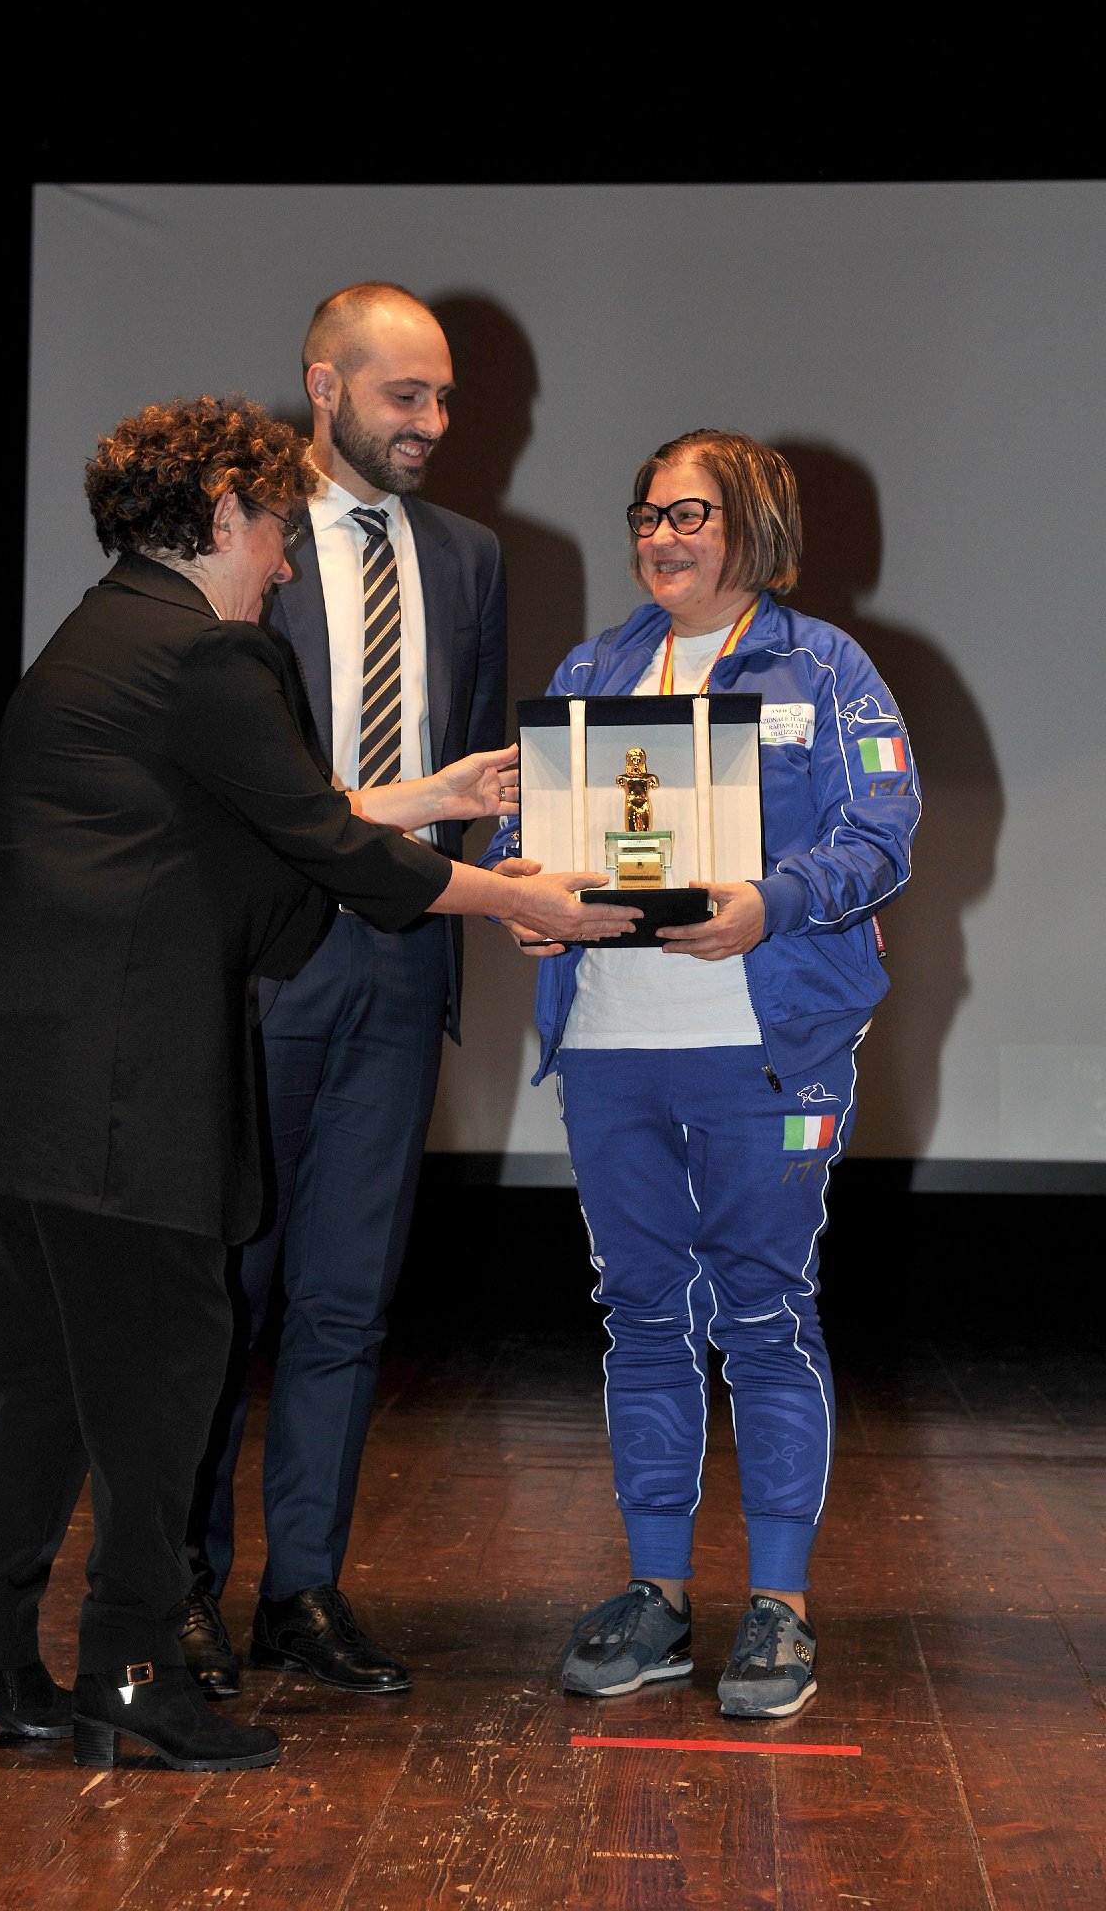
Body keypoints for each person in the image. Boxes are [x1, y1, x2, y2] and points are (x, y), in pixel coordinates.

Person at [0, 393, 636, 1775]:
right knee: (164, 1376)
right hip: (124, 1090)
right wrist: (521, 897)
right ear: (221, 517)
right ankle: (132, 1670)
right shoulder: (210, 654)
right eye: (275, 531)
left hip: (18, 1084)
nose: (289, 562)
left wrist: (422, 804)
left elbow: (258, 813)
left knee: (46, 1382)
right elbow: (325, 846)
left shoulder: (100, 634)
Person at [481, 429, 920, 1719]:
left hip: (762, 1043)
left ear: (753, 526)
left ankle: (780, 1603)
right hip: (612, 1041)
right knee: (639, 1314)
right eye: (646, 514)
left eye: (689, 515)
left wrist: (771, 901)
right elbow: (526, 825)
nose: (659, 537)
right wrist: (519, 892)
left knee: (766, 1314)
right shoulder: (593, 668)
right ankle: (658, 1594)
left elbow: (884, 831)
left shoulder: (827, 668)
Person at [180, 283, 511, 1701]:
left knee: (346, 1302)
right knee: (224, 1293)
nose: (431, 423)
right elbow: (223, 772)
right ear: (325, 387)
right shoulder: (245, 536)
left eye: (443, 400)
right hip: (265, 961)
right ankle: (178, 1588)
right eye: (403, 397)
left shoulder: (474, 556)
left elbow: (481, 775)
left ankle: (301, 1590)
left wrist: (520, 888)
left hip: (405, 965)